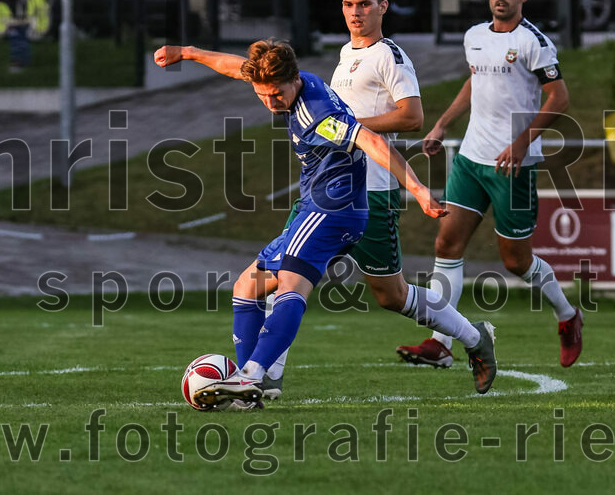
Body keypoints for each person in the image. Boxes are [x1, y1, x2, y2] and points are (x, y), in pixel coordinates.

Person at [153, 39, 498, 409]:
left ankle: (251, 376)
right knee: (248, 286)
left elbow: (371, 141)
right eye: (262, 95)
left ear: (294, 80)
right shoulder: (290, 81)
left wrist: (418, 189)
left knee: (291, 285)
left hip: (333, 209)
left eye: (276, 94)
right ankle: (474, 338)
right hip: (318, 206)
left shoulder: (317, 115)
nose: (271, 103)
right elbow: (237, 67)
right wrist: (189, 53)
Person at [396, 0, 584, 368]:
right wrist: (442, 124)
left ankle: (568, 315)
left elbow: (561, 98)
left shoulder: (535, 42)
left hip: (513, 167)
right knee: (447, 244)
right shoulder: (475, 36)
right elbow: (474, 81)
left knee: (516, 261)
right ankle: (440, 343)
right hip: (471, 159)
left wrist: (521, 142)